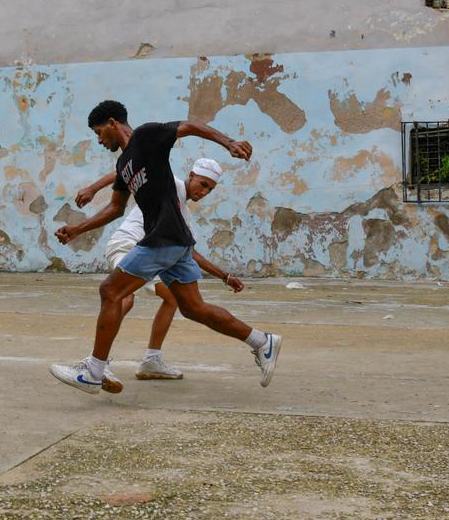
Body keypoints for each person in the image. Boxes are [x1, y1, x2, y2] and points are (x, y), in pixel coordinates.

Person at [51, 100, 280, 394]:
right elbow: (115, 209)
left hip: (164, 236)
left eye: (99, 132)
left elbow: (187, 126)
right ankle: (263, 342)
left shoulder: (146, 136)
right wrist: (76, 230)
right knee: (193, 308)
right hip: (176, 242)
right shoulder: (123, 165)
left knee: (110, 291)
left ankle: (94, 371)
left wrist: (228, 142)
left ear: (112, 123)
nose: (99, 140)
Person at [74, 155, 244, 380]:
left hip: (150, 254)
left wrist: (225, 276)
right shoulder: (169, 182)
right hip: (127, 245)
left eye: (210, 189)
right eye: (203, 184)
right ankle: (97, 363)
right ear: (191, 176)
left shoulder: (183, 213)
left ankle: (151, 362)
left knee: (172, 297)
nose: (204, 192)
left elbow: (189, 251)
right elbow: (125, 170)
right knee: (123, 296)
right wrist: (92, 188)